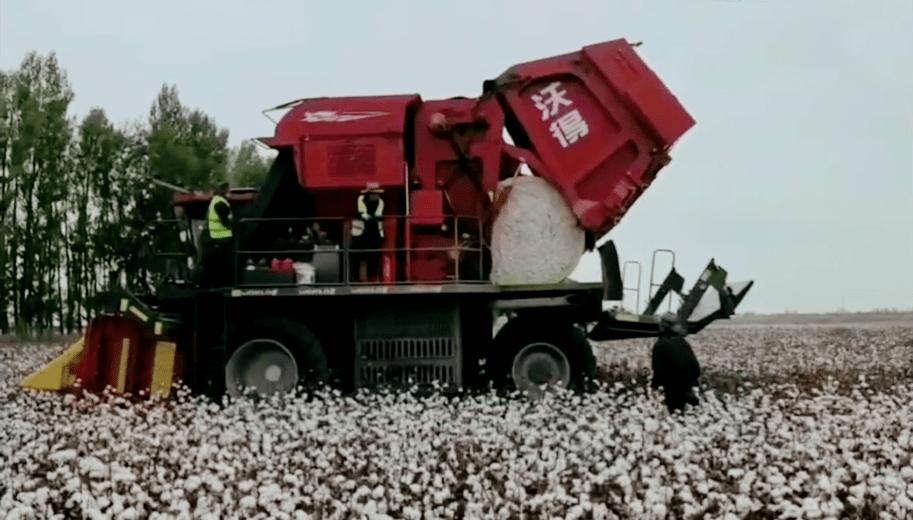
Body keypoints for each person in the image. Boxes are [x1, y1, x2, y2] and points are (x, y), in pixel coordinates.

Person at [651, 312, 701, 413]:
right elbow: (695, 367)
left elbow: (658, 370)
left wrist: (655, 387)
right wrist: (692, 384)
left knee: (673, 418)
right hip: (687, 390)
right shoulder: (683, 342)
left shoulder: (660, 345)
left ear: (662, 326)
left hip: (671, 391)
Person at [199, 182, 234, 287]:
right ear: (224, 191)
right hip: (219, 238)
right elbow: (226, 222)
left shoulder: (215, 201)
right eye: (229, 191)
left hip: (214, 238)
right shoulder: (221, 203)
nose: (230, 193)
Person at [350, 187, 385, 282]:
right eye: (374, 193)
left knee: (373, 258)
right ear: (369, 194)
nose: (377, 195)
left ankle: (373, 279)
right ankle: (358, 279)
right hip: (359, 236)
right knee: (360, 258)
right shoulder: (360, 199)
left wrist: (381, 235)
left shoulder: (381, 202)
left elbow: (378, 216)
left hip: (374, 234)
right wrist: (371, 218)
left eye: (378, 193)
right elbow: (362, 214)